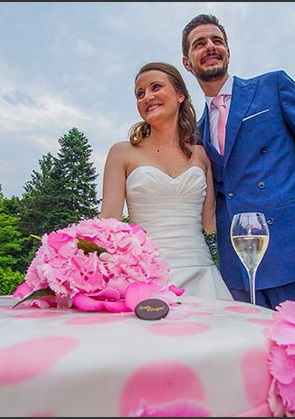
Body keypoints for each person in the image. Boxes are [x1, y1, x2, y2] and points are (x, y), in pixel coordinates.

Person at [180, 14, 295, 309]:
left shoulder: (273, 86)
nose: (210, 46)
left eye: (217, 40)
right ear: (187, 62)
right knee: (254, 356)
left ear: (228, 50)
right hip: (237, 271)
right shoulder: (196, 132)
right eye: (199, 43)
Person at [99, 61, 233, 300]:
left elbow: (210, 222)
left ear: (180, 95)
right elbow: (108, 226)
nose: (147, 97)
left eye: (155, 87)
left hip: (202, 276)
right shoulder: (122, 153)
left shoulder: (202, 155)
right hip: (144, 279)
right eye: (140, 94)